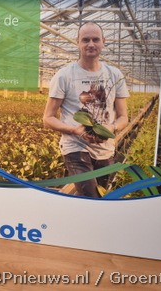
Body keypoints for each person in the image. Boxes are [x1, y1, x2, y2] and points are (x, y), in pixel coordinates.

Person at [43, 22, 129, 198]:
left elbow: (123, 117)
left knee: (101, 196)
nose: (91, 44)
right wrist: (75, 130)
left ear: (103, 42)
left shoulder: (114, 75)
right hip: (76, 148)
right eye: (85, 40)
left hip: (105, 149)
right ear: (78, 42)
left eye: (95, 39)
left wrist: (111, 128)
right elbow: (48, 118)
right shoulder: (64, 75)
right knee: (91, 197)